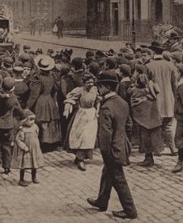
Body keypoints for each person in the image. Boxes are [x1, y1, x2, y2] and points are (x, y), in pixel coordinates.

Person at [87, 71, 137, 220]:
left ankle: (130, 210)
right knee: (107, 173)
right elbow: (129, 125)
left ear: (107, 87)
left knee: (118, 178)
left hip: (111, 148)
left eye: (100, 87)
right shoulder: (122, 102)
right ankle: (102, 201)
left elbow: (105, 134)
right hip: (122, 144)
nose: (98, 89)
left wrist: (105, 151)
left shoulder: (106, 107)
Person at [63, 73, 100, 171]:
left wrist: (97, 111)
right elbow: (70, 99)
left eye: (92, 82)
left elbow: (98, 101)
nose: (90, 84)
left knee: (88, 137)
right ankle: (80, 159)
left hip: (91, 115)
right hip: (82, 115)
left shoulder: (95, 90)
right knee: (80, 136)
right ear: (84, 83)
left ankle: (81, 157)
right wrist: (67, 108)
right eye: (88, 82)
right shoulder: (79, 90)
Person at [27, 55, 61, 152]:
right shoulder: (51, 78)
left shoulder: (37, 78)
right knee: (50, 121)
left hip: (41, 101)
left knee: (42, 120)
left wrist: (27, 107)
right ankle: (51, 143)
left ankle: (43, 143)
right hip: (50, 100)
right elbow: (55, 90)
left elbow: (34, 95)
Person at [129, 73, 162, 167]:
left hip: (144, 121)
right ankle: (149, 157)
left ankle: (148, 158)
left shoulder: (136, 91)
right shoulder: (150, 92)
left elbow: (131, 95)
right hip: (152, 119)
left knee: (145, 139)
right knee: (150, 139)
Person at [12, 110, 44, 186]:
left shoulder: (35, 127)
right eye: (30, 120)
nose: (32, 122)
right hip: (26, 150)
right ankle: (21, 179)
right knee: (23, 164)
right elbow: (18, 139)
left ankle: (34, 177)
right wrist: (24, 147)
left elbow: (37, 134)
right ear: (25, 120)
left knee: (34, 163)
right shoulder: (22, 129)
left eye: (33, 119)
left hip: (34, 149)